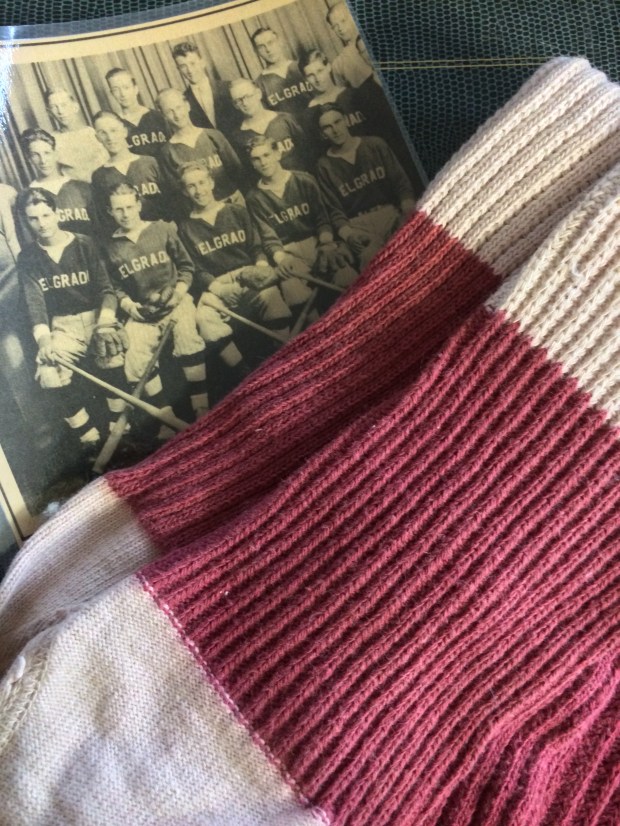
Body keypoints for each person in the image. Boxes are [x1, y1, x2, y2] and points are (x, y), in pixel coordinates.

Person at [16, 188, 121, 457]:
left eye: (46, 215)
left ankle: (121, 428)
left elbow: (106, 290)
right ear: (25, 221)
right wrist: (44, 340)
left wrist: (106, 322)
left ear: (57, 213)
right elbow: (34, 304)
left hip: (98, 319)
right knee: (49, 373)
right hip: (63, 326)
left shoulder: (84, 243)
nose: (41, 224)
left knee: (112, 355)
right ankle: (89, 436)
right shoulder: (28, 258)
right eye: (33, 218)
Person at [177, 161, 293, 387]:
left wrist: (259, 268)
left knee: (273, 300)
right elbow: (195, 269)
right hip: (217, 284)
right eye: (191, 186)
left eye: (202, 182)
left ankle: (285, 360)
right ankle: (244, 374)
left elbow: (257, 247)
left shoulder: (236, 211)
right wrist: (219, 288)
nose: (198, 190)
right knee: (204, 319)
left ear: (211, 182)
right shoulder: (185, 228)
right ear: (184, 191)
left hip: (247, 274)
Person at [104, 182, 208, 425]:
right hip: (142, 311)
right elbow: (114, 287)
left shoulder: (162, 229)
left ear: (139, 204)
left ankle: (201, 405)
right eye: (118, 209)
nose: (125, 213)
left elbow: (186, 267)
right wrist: (130, 307)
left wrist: (179, 293)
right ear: (110, 212)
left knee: (187, 336)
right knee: (134, 354)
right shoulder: (109, 246)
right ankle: (166, 417)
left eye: (130, 206)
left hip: (175, 300)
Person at [245, 136, 357, 312]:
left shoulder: (304, 180)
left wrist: (327, 243)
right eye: (256, 159)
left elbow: (323, 217)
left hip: (318, 243)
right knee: (293, 291)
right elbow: (268, 237)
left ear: (278, 153)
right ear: (252, 164)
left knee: (346, 275)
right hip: (288, 252)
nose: (263, 162)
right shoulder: (254, 198)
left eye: (266, 155)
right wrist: (281, 259)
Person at [315, 104, 416, 269]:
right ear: (322, 133)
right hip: (359, 225)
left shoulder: (375, 145)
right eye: (327, 127)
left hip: (390, 214)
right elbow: (335, 211)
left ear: (346, 120)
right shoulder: (324, 165)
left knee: (412, 251)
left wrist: (408, 212)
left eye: (337, 122)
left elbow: (401, 184)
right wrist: (348, 235)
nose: (335, 130)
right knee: (371, 262)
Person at [156, 87, 244, 214]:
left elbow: (237, 171)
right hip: (203, 212)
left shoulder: (213, 135)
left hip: (233, 202)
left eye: (179, 107)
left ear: (187, 106)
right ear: (163, 116)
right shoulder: (167, 152)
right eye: (170, 111)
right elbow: (179, 193)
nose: (177, 115)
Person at [91, 111, 166, 237]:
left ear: (124, 131)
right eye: (103, 133)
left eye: (114, 130)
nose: (110, 137)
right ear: (97, 138)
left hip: (161, 235)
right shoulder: (99, 176)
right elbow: (105, 219)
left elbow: (172, 202)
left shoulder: (149, 162)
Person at [16, 128, 93, 243]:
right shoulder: (26, 197)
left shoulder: (82, 188)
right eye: (35, 155)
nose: (43, 160)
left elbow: (100, 230)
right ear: (29, 159)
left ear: (55, 154)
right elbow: (31, 241)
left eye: (47, 153)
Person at [228, 78, 311, 177]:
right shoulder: (237, 137)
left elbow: (308, 152)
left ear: (258, 94)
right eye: (238, 101)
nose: (245, 103)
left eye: (248, 96)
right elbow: (248, 174)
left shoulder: (285, 119)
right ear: (234, 105)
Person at [171, 41, 239, 134]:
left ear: (202, 62)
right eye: (183, 66)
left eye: (192, 63)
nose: (189, 70)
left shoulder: (228, 87)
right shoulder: (183, 101)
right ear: (178, 70)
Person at [44, 88, 108, 183]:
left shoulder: (93, 133)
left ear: (75, 107)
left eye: (64, 105)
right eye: (54, 107)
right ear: (49, 112)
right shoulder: (51, 141)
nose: (60, 111)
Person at [105, 68, 169, 157]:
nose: (122, 94)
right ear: (112, 93)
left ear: (136, 88)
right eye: (116, 90)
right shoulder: (115, 126)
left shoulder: (158, 117)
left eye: (126, 87)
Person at [301, 49, 368, 134]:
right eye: (311, 75)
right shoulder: (309, 114)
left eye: (320, 71)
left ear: (328, 67)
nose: (317, 79)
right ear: (305, 79)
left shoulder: (354, 95)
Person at [251, 27, 312, 117]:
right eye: (261, 47)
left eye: (270, 42)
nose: (268, 49)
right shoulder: (259, 85)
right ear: (256, 51)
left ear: (280, 42)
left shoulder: (303, 66)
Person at [326, 2, 375, 90]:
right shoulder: (338, 64)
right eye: (335, 26)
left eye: (343, 21)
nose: (340, 28)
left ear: (353, 17)